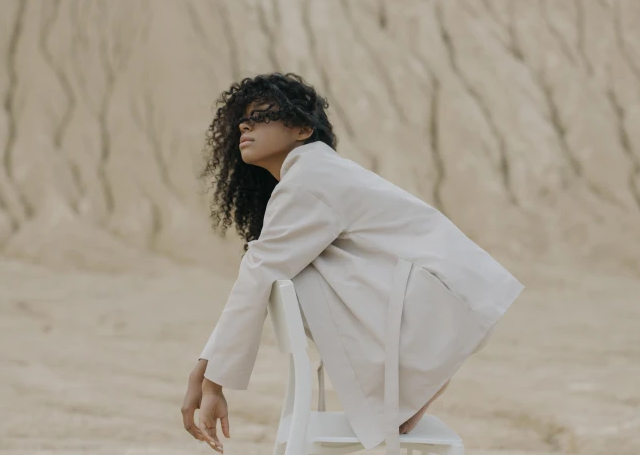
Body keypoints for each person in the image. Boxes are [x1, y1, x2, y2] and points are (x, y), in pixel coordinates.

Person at [181, 72, 524, 454]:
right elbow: (261, 271)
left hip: (443, 304)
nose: (245, 124)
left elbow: (259, 274)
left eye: (262, 115)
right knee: (294, 265)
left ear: (302, 130)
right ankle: (409, 383)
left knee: (295, 268)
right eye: (242, 119)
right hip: (452, 298)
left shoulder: (311, 178)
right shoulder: (310, 177)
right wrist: (207, 371)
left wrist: (210, 380)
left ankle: (411, 379)